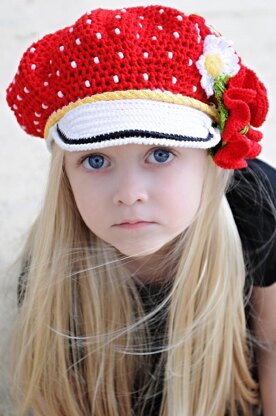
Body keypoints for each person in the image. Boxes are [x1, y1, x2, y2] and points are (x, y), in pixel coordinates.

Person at [6, 5, 276, 416]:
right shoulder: (51, 267)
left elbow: (273, 347)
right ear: (65, 177)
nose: (129, 194)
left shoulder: (257, 206)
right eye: (96, 160)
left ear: (208, 158)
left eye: (161, 153)